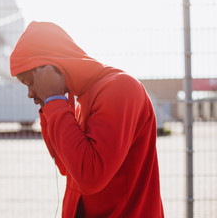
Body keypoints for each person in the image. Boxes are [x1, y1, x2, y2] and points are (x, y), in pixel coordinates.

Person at [10, 21, 164, 218]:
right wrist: (48, 106)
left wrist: (54, 101)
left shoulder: (120, 88)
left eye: (31, 82)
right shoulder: (80, 99)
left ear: (52, 67)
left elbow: (90, 177)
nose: (30, 93)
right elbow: (66, 166)